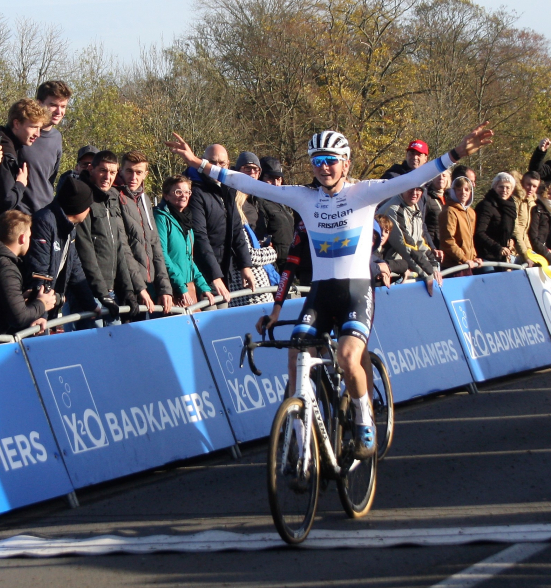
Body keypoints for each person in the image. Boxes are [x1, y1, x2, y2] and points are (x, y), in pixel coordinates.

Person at [165, 122, 493, 459]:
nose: (323, 167)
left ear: (346, 162)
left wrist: (457, 154)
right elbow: (245, 182)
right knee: (296, 356)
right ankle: (298, 435)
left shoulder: (364, 192)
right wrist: (197, 161)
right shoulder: (304, 198)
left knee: (349, 358)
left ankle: (365, 418)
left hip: (356, 292)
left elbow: (412, 178)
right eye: (317, 160)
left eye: (331, 160)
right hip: (320, 294)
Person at [74, 150, 140, 326]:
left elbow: (118, 248)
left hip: (111, 292)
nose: (107, 177)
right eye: (103, 170)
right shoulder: (83, 198)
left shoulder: (112, 199)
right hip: (89, 293)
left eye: (112, 172)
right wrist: (101, 293)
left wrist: (128, 291)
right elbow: (85, 250)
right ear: (92, 169)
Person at [188, 144, 255, 306]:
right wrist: (214, 276)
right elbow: (200, 237)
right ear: (203, 162)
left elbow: (236, 230)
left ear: (228, 164)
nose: (216, 168)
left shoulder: (228, 188)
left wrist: (245, 266)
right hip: (204, 275)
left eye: (222, 164)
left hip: (225, 270)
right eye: (212, 162)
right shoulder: (195, 190)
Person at [26, 176, 96, 322]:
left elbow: (75, 269)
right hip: (33, 312)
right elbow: (40, 272)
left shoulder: (70, 229)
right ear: (78, 207)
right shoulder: (44, 222)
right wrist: (41, 314)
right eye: (87, 206)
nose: (89, 211)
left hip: (49, 306)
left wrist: (91, 305)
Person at [116, 151, 173, 313]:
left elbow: (155, 243)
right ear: (121, 170)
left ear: (145, 174)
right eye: (129, 171)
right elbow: (123, 247)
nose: (133, 177)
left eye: (138, 172)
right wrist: (139, 287)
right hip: (128, 285)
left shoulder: (144, 199)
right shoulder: (115, 197)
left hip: (151, 283)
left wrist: (164, 288)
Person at [0, 211, 56, 334]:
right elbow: (19, 318)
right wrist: (42, 304)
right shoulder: (6, 270)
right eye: (29, 236)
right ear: (22, 238)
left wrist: (19, 298)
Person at [155, 175, 217, 310]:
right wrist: (181, 287)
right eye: (178, 192)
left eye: (187, 192)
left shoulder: (186, 222)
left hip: (188, 287)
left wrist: (203, 286)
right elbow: (162, 255)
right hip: (171, 290)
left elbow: (189, 259)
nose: (184, 196)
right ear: (166, 195)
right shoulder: (160, 218)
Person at [20, 81, 70, 217]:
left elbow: (49, 179)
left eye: (63, 106)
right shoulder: (21, 134)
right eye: (53, 105)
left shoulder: (57, 138)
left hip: (45, 215)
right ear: (39, 103)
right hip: (20, 217)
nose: (59, 111)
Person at [253, 157, 296, 272]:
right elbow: (261, 239)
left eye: (278, 179)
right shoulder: (258, 203)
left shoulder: (283, 203)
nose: (275, 183)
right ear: (261, 177)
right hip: (272, 267)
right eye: (270, 178)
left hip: (288, 264)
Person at [474, 172, 518, 267]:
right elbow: (479, 232)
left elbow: (509, 230)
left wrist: (512, 240)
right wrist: (497, 248)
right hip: (486, 256)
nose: (504, 190)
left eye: (507, 187)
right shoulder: (486, 205)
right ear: (494, 187)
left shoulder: (511, 207)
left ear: (512, 190)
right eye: (501, 187)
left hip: (503, 257)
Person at [439, 175, 479, 274]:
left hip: (467, 264)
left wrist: (474, 257)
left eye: (466, 190)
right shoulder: (449, 211)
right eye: (459, 189)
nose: (463, 193)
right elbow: (448, 240)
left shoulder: (471, 212)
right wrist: (464, 259)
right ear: (453, 191)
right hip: (453, 266)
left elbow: (470, 240)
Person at [530, 180, 551, 265]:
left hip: (543, 251)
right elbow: (534, 238)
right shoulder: (537, 209)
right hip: (533, 253)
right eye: (550, 193)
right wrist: (550, 257)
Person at [511, 171, 540, 262]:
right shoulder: (515, 200)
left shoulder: (529, 202)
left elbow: (524, 231)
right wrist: (525, 254)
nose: (531, 188)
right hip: (512, 252)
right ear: (522, 183)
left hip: (521, 250)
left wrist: (529, 251)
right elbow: (516, 229)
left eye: (534, 186)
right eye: (528, 184)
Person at [233, 151, 263, 225]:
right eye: (247, 168)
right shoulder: (232, 197)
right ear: (238, 170)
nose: (252, 172)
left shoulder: (261, 198)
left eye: (255, 168)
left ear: (259, 173)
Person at [424, 169, 450, 248]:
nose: (441, 178)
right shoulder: (427, 198)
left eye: (444, 175)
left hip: (448, 245)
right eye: (437, 175)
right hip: (433, 246)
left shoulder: (451, 198)